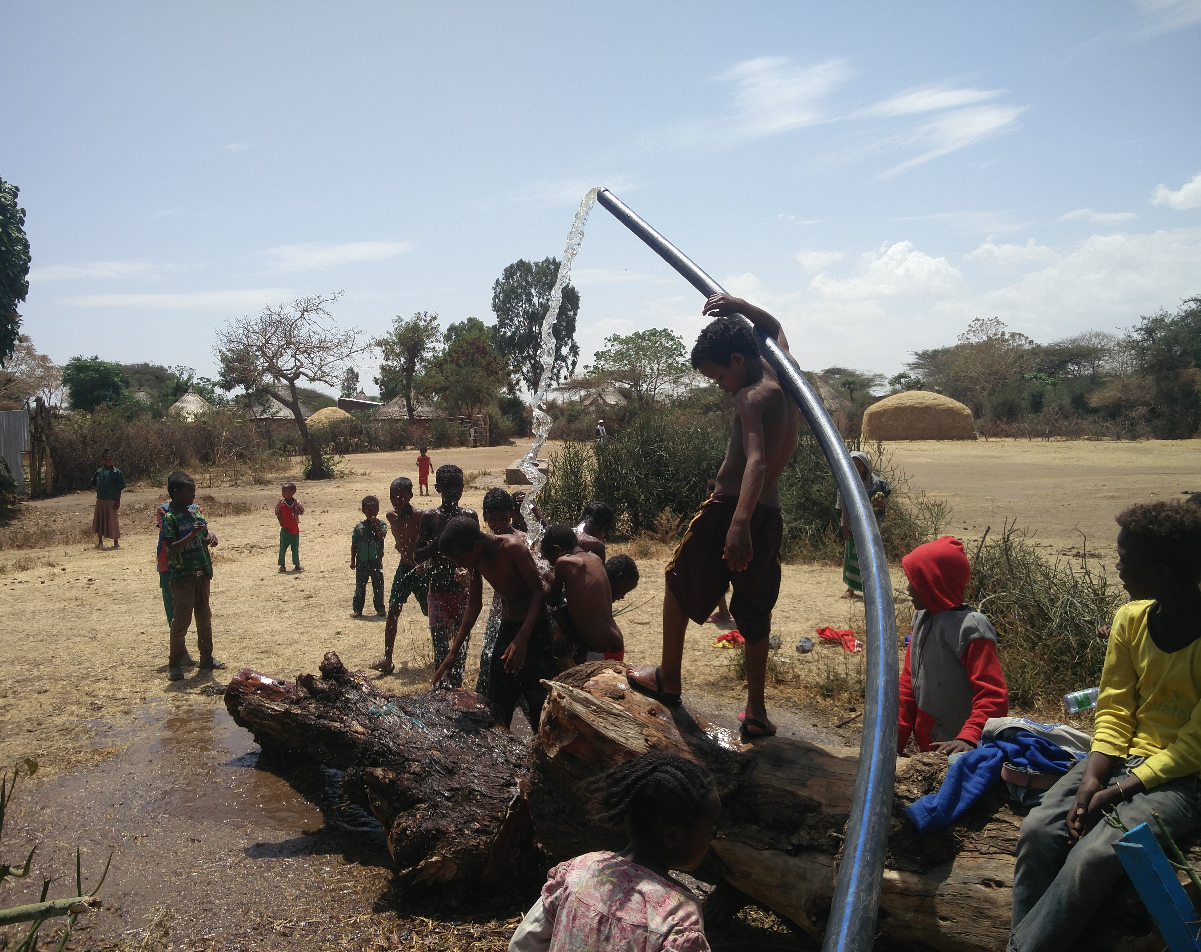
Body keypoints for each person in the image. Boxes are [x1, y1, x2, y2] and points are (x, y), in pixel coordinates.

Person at [1009, 501, 1201, 952]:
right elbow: (1114, 709)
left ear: (1160, 572)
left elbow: (1193, 748)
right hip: (1119, 759)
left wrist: (1117, 791)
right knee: (1038, 831)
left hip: (1183, 779)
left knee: (1095, 856)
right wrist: (1092, 778)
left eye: (1124, 560)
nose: (1116, 567)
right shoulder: (1129, 621)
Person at [628, 294, 799, 743]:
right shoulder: (784, 370)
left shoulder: (750, 396)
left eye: (720, 375)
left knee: (677, 578)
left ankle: (669, 677)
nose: (721, 386)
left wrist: (738, 523)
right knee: (754, 607)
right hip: (771, 514)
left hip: (732, 509)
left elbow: (756, 462)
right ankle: (757, 712)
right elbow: (775, 324)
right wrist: (741, 305)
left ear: (738, 360)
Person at [508, 751, 719, 952]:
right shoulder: (676, 917)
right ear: (673, 836)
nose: (712, 838)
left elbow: (524, 943)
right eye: (711, 830)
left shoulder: (580, 872)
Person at [434, 515, 552, 728]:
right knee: (497, 701)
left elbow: (538, 593)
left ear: (477, 546)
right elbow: (474, 606)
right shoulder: (476, 559)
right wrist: (453, 653)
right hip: (508, 628)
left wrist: (522, 639)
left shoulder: (511, 548)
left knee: (540, 704)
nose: (460, 566)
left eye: (460, 559)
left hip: (534, 631)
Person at [896, 535, 1008, 755]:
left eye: (915, 582)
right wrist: (894, 738)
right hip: (929, 748)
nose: (909, 589)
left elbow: (993, 695)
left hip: (961, 751)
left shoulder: (971, 628)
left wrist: (970, 736)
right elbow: (907, 685)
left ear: (933, 583)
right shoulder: (922, 620)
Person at [413, 464, 477, 686]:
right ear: (438, 487)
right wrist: (440, 541)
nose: (453, 491)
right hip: (438, 591)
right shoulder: (430, 518)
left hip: (462, 593)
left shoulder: (469, 516)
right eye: (448, 486)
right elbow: (418, 554)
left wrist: (467, 572)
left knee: (460, 652)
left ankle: (458, 692)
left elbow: (477, 554)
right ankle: (440, 693)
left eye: (457, 486)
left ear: (463, 488)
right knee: (441, 651)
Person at [161, 470, 223, 681]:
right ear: (176, 493)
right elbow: (172, 548)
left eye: (194, 492)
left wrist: (210, 536)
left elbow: (205, 533)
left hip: (201, 574)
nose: (193, 496)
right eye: (190, 492)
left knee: (204, 618)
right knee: (181, 622)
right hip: (182, 577)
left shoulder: (195, 513)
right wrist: (192, 534)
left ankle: (206, 658)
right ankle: (175, 664)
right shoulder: (170, 518)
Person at [542, 524, 626, 663]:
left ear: (557, 550)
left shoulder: (565, 562)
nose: (552, 565)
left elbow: (552, 600)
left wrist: (543, 576)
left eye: (550, 560)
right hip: (612, 643)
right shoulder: (595, 558)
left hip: (601, 649)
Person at [371, 478, 426, 673]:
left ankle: (447, 650)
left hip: (422, 570)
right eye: (392, 496)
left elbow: (428, 541)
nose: (396, 500)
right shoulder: (390, 516)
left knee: (432, 612)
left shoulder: (421, 516)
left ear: (410, 496)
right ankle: (387, 658)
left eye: (400, 496)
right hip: (404, 568)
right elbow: (399, 541)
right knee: (393, 609)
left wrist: (425, 563)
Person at [475, 488, 523, 697]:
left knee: (519, 669)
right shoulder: (484, 546)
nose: (498, 524)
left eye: (503, 518)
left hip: (521, 617)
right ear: (485, 517)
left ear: (512, 513)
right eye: (492, 519)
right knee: (488, 665)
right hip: (497, 615)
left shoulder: (522, 542)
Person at [837, 451, 889, 599]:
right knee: (851, 556)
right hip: (854, 525)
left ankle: (871, 589)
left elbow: (881, 506)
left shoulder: (875, 483)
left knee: (871, 555)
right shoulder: (846, 483)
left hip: (872, 525)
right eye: (854, 465)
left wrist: (881, 504)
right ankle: (851, 589)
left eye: (860, 465)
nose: (858, 468)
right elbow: (844, 507)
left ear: (865, 466)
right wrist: (845, 526)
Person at [155, 495, 195, 668]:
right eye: (188, 491)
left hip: (191, 564)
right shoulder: (164, 511)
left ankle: (202, 653)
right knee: (173, 610)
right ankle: (180, 651)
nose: (192, 495)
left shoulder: (195, 509)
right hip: (169, 566)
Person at [702, 479, 734, 629]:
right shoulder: (728, 505)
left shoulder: (716, 507)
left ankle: (723, 613)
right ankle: (724, 611)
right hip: (726, 548)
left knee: (717, 581)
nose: (708, 494)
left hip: (720, 550)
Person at [350, 495, 387, 618]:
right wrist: (352, 561)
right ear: (363, 510)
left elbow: (381, 536)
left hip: (376, 561)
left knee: (378, 585)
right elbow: (354, 544)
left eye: (374, 510)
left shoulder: (381, 524)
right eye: (368, 510)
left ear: (378, 510)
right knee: (360, 586)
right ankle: (357, 609)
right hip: (361, 561)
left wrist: (375, 524)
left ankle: (380, 608)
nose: (371, 512)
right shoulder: (359, 527)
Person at [90, 449, 126, 549]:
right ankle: (100, 542)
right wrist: (96, 488)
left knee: (112, 521)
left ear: (112, 460)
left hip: (112, 500)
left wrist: (118, 501)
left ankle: (116, 542)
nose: (108, 461)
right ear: (102, 460)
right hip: (101, 499)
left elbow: (120, 488)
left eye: (109, 459)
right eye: (105, 459)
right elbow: (92, 483)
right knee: (100, 520)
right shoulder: (98, 472)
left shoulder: (117, 473)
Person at [275, 481, 305, 573]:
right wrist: (280, 520)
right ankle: (282, 565)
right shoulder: (281, 502)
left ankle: (296, 564)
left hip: (295, 529)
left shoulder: (296, 503)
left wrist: (297, 512)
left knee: (295, 548)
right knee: (283, 547)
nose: (283, 493)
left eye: (285, 491)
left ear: (292, 492)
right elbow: (277, 512)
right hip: (285, 529)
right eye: (282, 491)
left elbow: (302, 511)